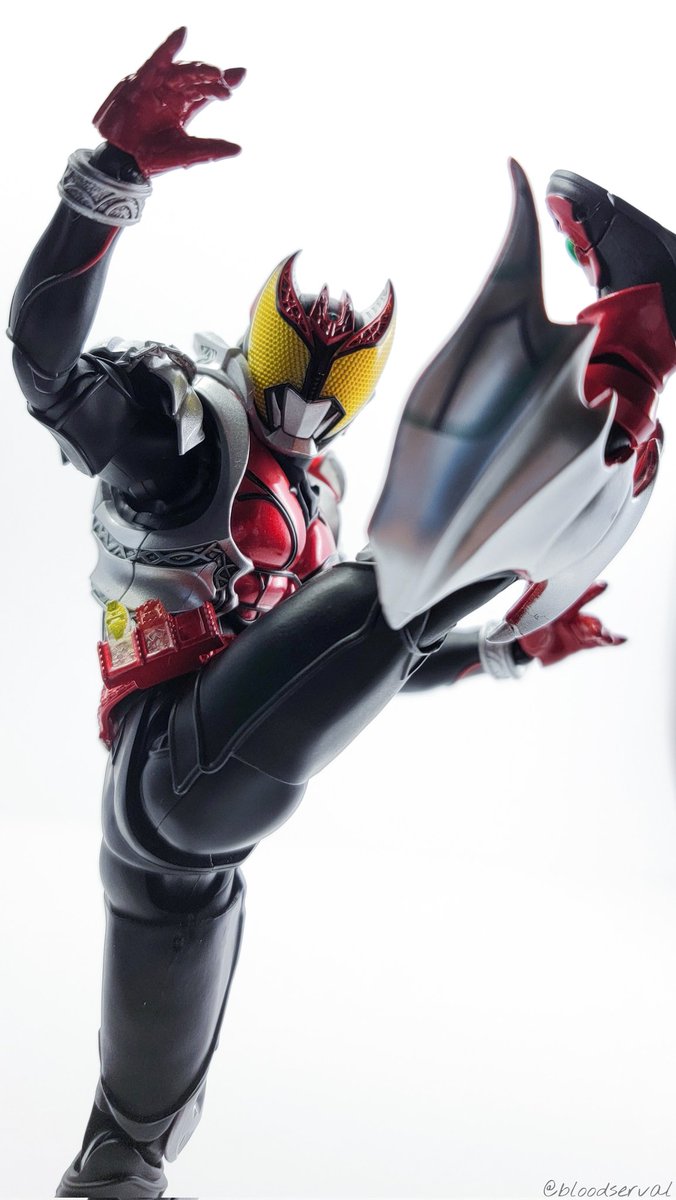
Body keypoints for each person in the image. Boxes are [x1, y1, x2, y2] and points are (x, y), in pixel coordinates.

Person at [10, 28, 676, 1200]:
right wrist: (108, 177)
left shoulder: (320, 501)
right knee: (402, 580)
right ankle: (637, 344)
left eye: (341, 376)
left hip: (189, 848)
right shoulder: (179, 432)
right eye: (293, 354)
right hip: (169, 773)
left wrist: (507, 652)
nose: (310, 394)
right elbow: (44, 371)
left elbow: (365, 659)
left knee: (131, 1145)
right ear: (255, 334)